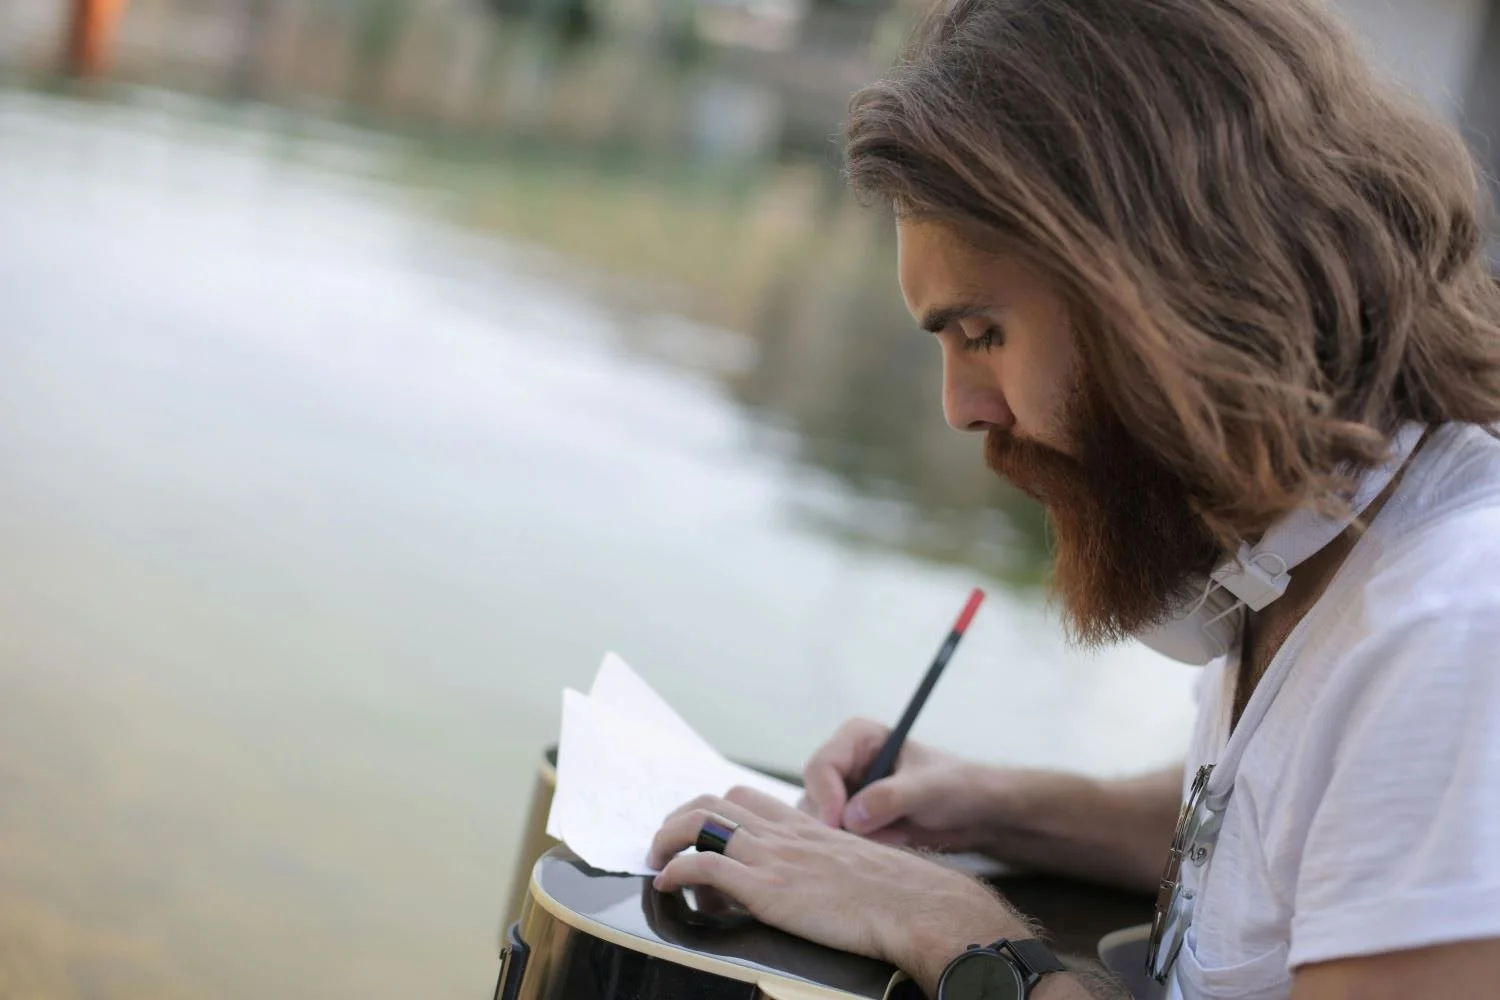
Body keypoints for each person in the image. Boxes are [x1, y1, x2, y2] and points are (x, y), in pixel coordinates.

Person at [646, 0, 1500, 997]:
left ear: (1159, 284)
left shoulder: (1451, 629)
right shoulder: (1325, 540)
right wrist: (998, 805)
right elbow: (1292, 834)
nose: (963, 408)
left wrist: (968, 942)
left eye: (982, 334)